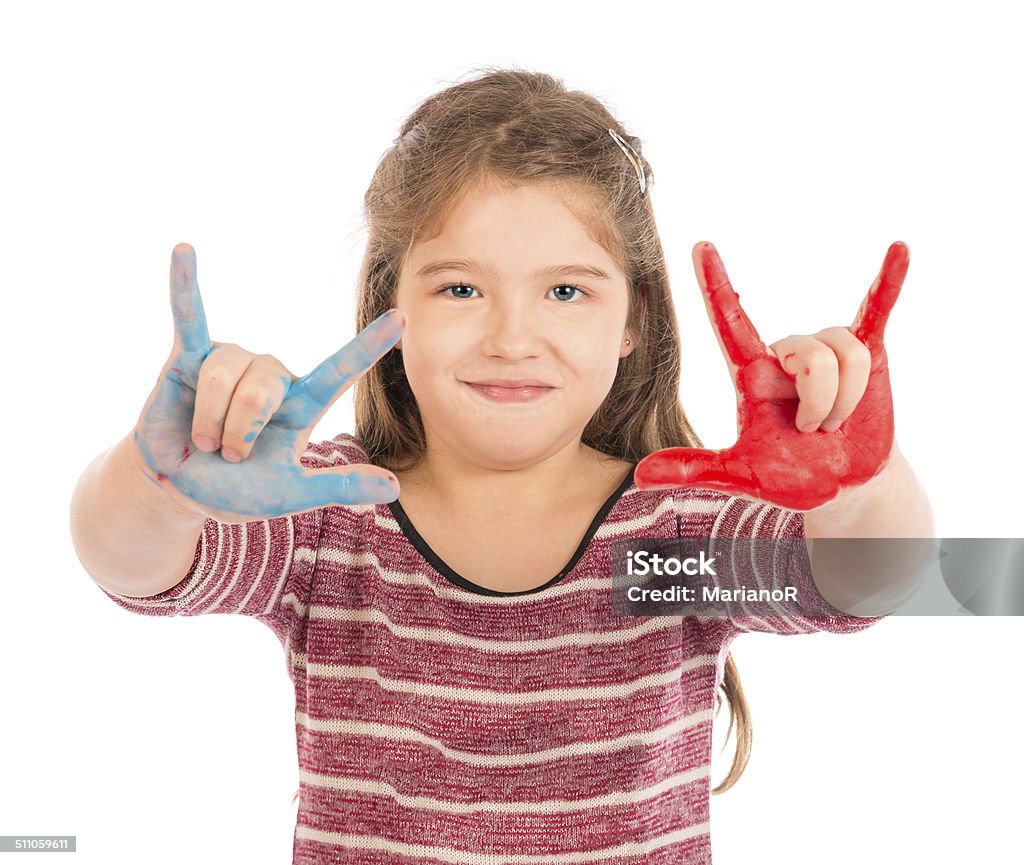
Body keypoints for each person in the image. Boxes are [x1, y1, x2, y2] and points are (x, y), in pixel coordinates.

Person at [69, 67, 934, 864]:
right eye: (459, 288)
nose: (512, 338)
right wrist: (159, 486)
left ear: (632, 320)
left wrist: (862, 485)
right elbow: (132, 565)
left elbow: (867, 583)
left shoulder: (667, 539)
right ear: (390, 308)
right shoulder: (330, 515)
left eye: (566, 290)